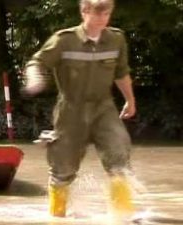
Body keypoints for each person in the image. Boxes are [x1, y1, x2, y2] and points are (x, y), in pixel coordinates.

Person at [23, 0, 136, 218]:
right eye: (98, 13)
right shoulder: (64, 41)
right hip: (71, 110)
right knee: (63, 167)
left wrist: (130, 101)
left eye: (107, 13)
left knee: (119, 154)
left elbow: (121, 72)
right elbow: (36, 62)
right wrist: (35, 78)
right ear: (84, 11)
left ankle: (122, 218)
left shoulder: (116, 39)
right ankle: (56, 218)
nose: (103, 18)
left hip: (104, 108)